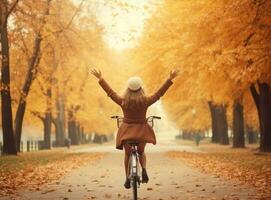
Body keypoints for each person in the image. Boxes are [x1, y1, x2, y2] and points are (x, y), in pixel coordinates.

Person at [90, 68, 179, 189]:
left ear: (128, 89)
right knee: (141, 152)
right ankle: (144, 169)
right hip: (142, 133)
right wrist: (170, 79)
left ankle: (127, 178)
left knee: (127, 155)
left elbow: (110, 93)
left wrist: (100, 79)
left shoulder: (123, 101)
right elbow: (159, 93)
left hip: (127, 133)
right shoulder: (145, 101)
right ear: (141, 89)